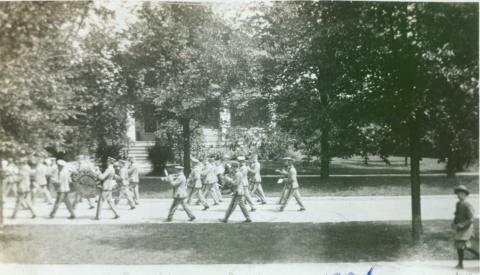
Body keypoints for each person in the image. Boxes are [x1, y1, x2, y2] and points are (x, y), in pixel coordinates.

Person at [452, 185, 479, 269]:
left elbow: (471, 219)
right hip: (460, 228)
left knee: (462, 244)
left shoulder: (467, 205)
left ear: (465, 194)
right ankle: (461, 263)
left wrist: (462, 225)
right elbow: (456, 215)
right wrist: (454, 223)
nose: (458, 195)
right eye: (457, 193)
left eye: (460, 193)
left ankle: (461, 264)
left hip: (466, 228)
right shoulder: (458, 204)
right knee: (461, 245)